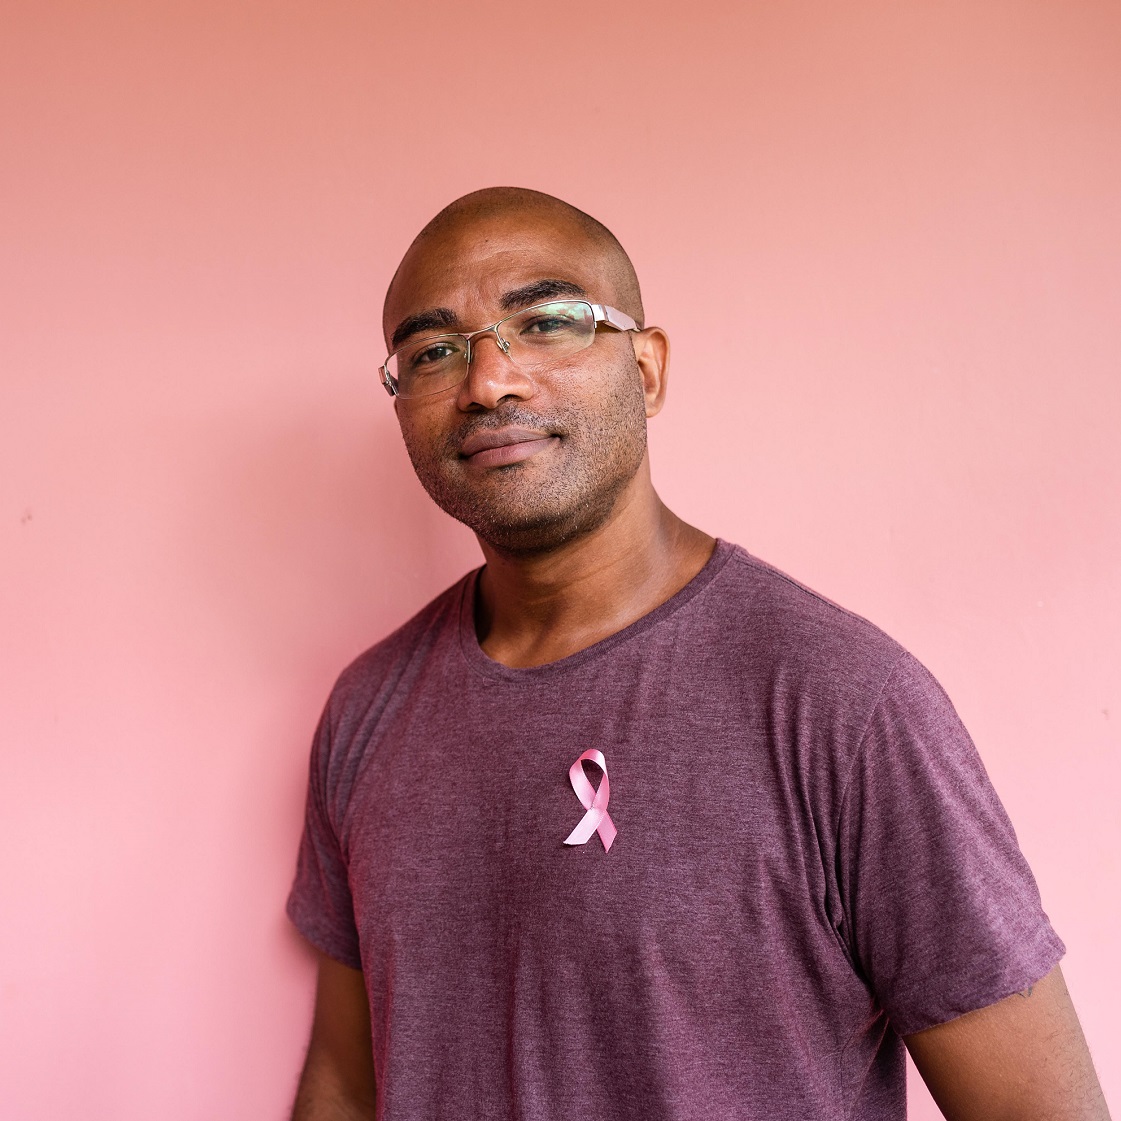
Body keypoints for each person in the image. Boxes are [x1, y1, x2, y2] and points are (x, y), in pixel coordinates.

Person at [286, 187, 1109, 1121]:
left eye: (546, 322)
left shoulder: (842, 705)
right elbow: (346, 1082)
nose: (488, 381)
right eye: (433, 351)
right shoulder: (368, 709)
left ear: (646, 369)